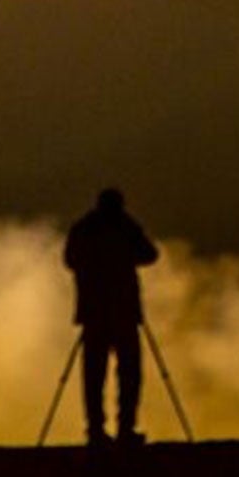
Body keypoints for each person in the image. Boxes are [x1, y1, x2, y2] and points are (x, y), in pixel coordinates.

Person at [62, 187, 161, 445]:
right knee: (129, 373)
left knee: (94, 374)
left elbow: (70, 260)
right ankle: (125, 428)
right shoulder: (125, 227)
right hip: (123, 311)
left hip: (94, 312)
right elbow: (150, 254)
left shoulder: (84, 228)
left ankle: (96, 430)